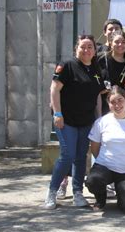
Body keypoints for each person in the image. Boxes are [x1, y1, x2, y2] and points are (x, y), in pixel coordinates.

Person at [44, 34, 105, 210]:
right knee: (67, 155)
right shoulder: (67, 65)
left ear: (94, 51)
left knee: (80, 157)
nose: (86, 50)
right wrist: (57, 113)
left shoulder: (95, 69)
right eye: (82, 47)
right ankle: (52, 192)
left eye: (90, 47)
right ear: (76, 48)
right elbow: (54, 89)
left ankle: (77, 193)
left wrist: (99, 117)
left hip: (86, 121)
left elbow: (98, 96)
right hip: (66, 120)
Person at [85, 86, 125, 214]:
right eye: (112, 102)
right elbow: (95, 148)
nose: (117, 104)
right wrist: (103, 162)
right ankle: (101, 199)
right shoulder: (101, 122)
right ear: (108, 103)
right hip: (105, 166)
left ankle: (123, 195)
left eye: (120, 100)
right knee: (93, 180)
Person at [98, 30, 125, 115]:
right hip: (100, 105)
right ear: (111, 43)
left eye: (123, 42)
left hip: (119, 107)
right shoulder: (100, 59)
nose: (120, 45)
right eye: (117, 42)